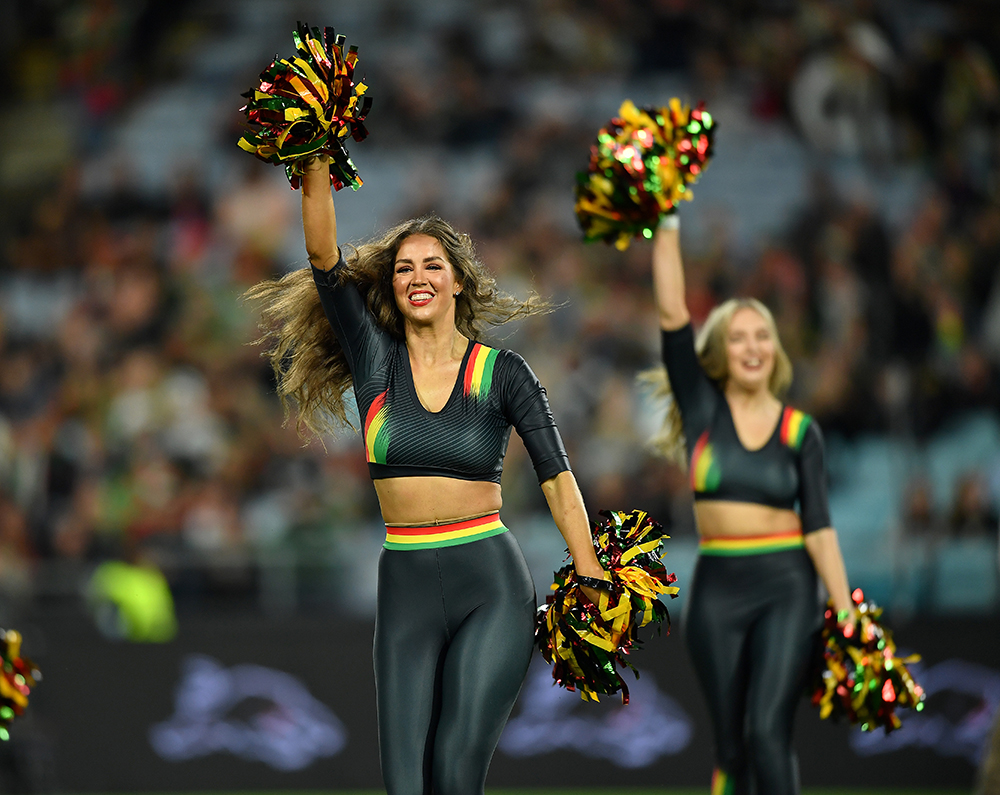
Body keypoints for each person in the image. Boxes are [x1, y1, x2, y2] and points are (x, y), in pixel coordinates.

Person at [246, 155, 608, 795]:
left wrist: (586, 570)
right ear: (389, 287)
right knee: (405, 785)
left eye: (432, 266)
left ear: (459, 283)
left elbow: (557, 475)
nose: (417, 277)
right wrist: (317, 154)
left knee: (455, 769)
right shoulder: (374, 359)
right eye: (404, 268)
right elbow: (324, 256)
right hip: (405, 581)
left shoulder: (505, 372)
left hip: (490, 583)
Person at [646, 216, 853, 795]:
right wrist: (666, 225)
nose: (752, 347)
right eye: (737, 337)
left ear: (776, 348)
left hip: (788, 582)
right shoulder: (702, 412)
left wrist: (844, 607)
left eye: (761, 336)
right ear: (719, 351)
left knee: (768, 731)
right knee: (733, 748)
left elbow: (819, 524)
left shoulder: (799, 431)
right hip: (718, 587)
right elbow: (670, 315)